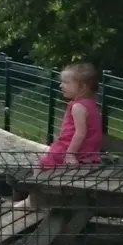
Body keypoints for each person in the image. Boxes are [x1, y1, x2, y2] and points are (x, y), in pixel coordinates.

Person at [13, 61, 104, 208]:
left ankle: (33, 201)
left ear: (82, 86)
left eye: (66, 82)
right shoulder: (91, 104)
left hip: (71, 151)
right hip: (88, 153)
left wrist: (70, 154)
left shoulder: (78, 107)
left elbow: (80, 133)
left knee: (40, 166)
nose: (61, 85)